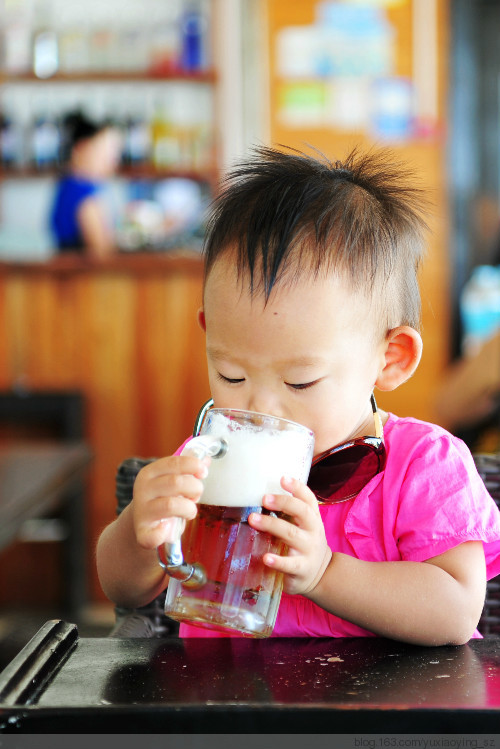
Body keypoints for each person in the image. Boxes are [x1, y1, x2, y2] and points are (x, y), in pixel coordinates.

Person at [96, 146, 500, 646]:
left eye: (300, 382)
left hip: (377, 714)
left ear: (390, 358)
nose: (258, 408)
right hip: (232, 707)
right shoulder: (210, 462)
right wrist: (139, 527)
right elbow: (124, 589)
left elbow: (457, 611)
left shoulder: (424, 467)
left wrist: (325, 573)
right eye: (230, 374)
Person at [49, 111, 122, 257]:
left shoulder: (66, 184)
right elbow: (101, 252)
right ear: (82, 148)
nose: (112, 160)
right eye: (105, 151)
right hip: (82, 278)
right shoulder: (83, 194)